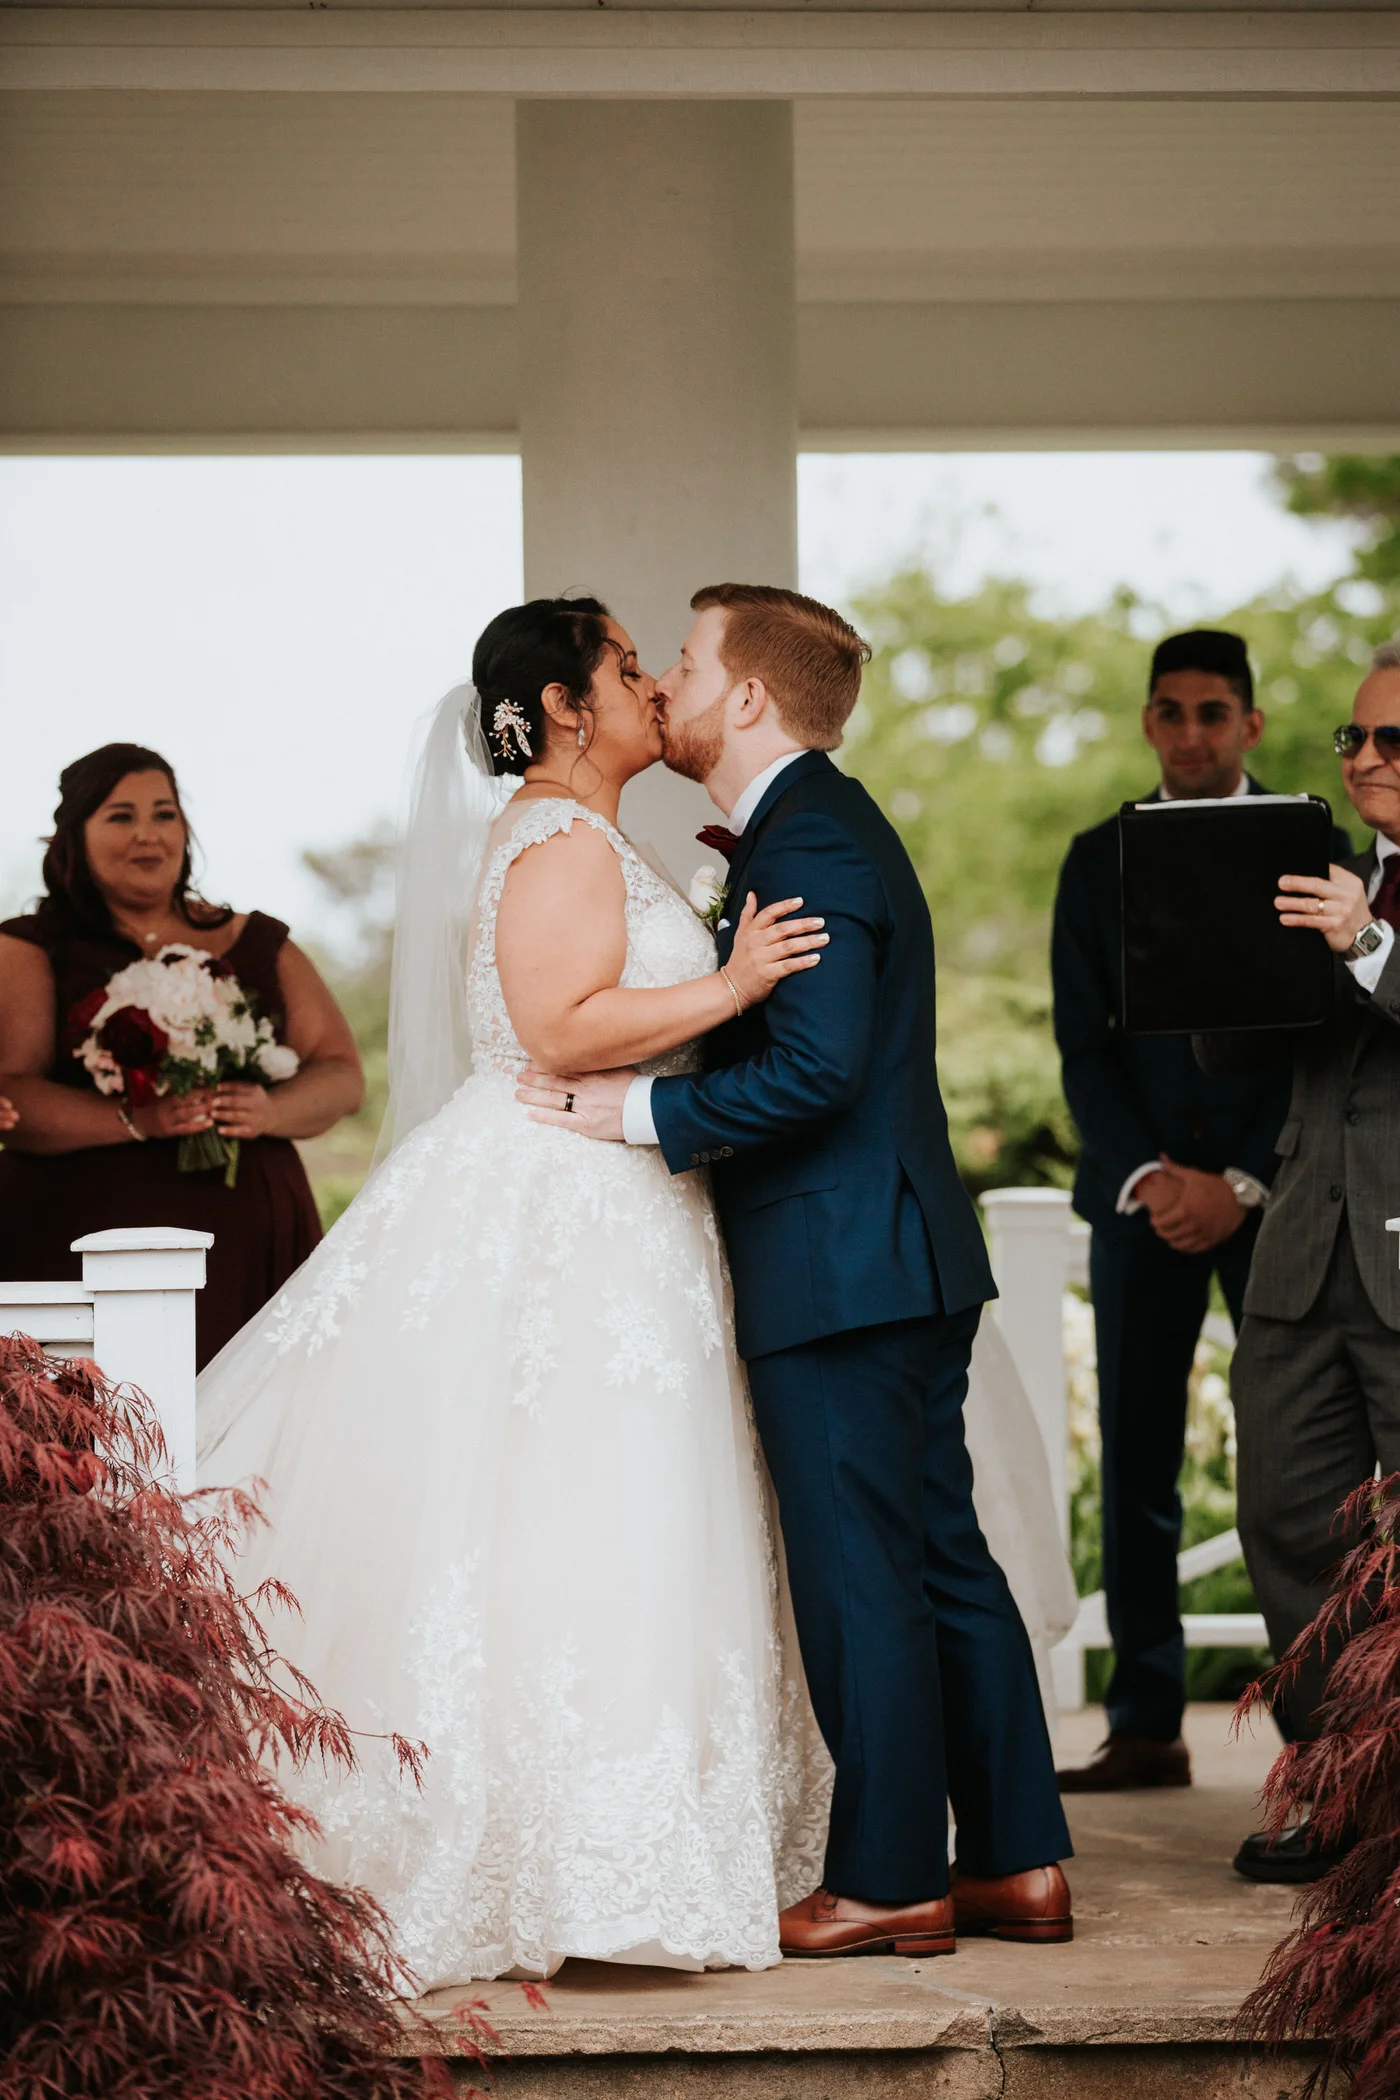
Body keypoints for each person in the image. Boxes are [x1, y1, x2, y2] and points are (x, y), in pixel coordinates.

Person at [198, 598, 837, 1986]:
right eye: (622, 668)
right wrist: (730, 986)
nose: (647, 688)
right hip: (564, 1202)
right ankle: (534, 1861)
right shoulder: (555, 837)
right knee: (571, 1510)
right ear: (559, 705)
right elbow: (559, 1025)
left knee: (591, 1512)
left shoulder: (589, 833)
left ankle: (595, 1855)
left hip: (613, 1196)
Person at [523, 584, 1074, 1957]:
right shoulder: (820, 823)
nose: (673, 685)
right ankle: (1017, 1865)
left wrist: (643, 1114)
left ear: (750, 697)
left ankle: (892, 1878)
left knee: (860, 1572)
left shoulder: (809, 840)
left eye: (692, 661)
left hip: (837, 1260)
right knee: (941, 1559)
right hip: (894, 1252)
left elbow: (821, 1069)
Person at [1050, 631, 1352, 1793]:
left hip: (1279, 1195)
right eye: (1168, 713)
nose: (1189, 734)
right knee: (1135, 1456)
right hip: (1140, 1199)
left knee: (1293, 1464)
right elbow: (1083, 1042)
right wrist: (1152, 1177)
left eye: (1211, 713)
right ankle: (1142, 1720)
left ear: (1250, 727)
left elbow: (1316, 1035)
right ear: (1145, 723)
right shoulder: (1094, 860)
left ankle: (1321, 1743)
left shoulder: (1312, 850)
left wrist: (1236, 1185)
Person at [0, 744, 362, 1369]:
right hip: (79, 1241)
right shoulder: (30, 947)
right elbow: (13, 1093)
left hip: (251, 1239)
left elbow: (341, 1073)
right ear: (73, 836)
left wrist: (268, 1110)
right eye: (120, 816)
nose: (147, 834)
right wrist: (140, 1120)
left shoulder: (256, 941)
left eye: (164, 814)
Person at [1223, 637, 1400, 1883]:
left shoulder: (1354, 908)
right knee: (1287, 1525)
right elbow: (1233, 1062)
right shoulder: (1317, 875)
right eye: (1351, 738)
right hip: (1298, 1259)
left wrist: (1370, 948)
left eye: (1389, 740)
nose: (1363, 758)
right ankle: (1336, 1798)